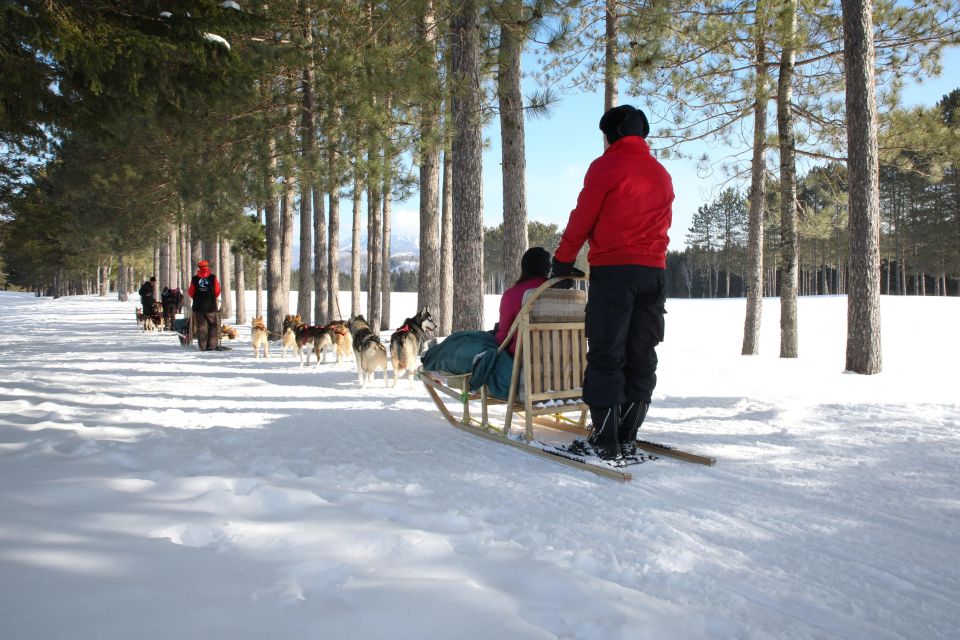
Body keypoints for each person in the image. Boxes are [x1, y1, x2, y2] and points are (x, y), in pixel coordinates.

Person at [550, 104, 674, 460]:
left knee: (607, 353)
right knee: (642, 354)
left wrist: (562, 261)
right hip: (654, 274)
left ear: (612, 134)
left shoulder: (606, 167)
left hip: (615, 272)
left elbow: (583, 217)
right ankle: (628, 435)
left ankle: (604, 440)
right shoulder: (662, 174)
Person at [494, 247, 552, 355]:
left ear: (524, 267)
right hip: (564, 359)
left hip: (523, 361)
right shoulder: (560, 293)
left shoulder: (511, 295)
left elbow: (503, 338)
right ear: (548, 267)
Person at [187, 260, 221, 351]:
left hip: (198, 306)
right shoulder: (213, 278)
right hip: (210, 307)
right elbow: (217, 291)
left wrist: (198, 297)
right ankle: (212, 346)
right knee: (213, 325)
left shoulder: (195, 279)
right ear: (208, 267)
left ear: (199, 268)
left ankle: (202, 346)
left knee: (201, 326)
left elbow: (190, 292)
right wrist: (211, 296)